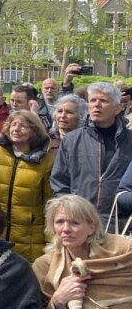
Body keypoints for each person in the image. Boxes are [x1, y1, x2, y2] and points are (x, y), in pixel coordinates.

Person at [0, 109, 55, 261]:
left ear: (34, 131)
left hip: (29, 237)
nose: (16, 129)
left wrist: (50, 240)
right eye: (13, 125)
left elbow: (50, 204)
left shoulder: (46, 161)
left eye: (23, 126)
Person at [52, 81, 132, 229]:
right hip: (80, 225)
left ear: (117, 108)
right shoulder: (72, 140)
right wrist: (69, 216)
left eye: (103, 101)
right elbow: (60, 183)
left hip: (121, 226)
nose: (96, 105)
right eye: (93, 100)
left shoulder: (129, 141)